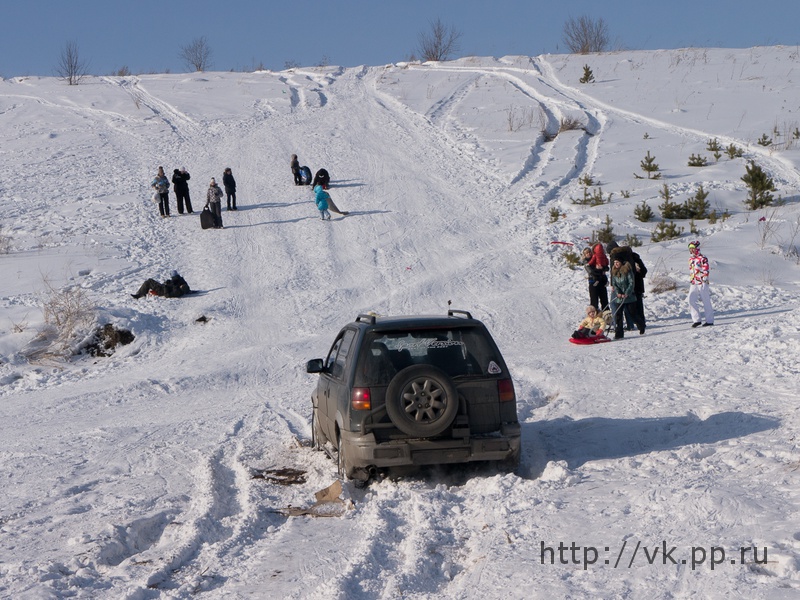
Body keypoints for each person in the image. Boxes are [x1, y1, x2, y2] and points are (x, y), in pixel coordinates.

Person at [608, 242, 646, 332]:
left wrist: (613, 285)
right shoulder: (632, 256)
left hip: (625, 286)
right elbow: (643, 271)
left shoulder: (615, 256)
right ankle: (635, 324)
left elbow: (613, 273)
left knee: (616, 306)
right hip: (636, 286)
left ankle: (618, 327)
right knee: (633, 307)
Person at [610, 257, 643, 339]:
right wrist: (618, 293)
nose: (616, 264)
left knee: (633, 314)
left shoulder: (627, 271)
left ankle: (641, 324)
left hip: (629, 297)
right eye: (614, 263)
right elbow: (615, 284)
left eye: (617, 262)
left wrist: (627, 293)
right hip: (619, 297)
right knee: (618, 315)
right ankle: (619, 333)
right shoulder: (614, 271)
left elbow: (631, 283)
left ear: (621, 263)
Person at [688, 240, 714, 327]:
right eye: (690, 249)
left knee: (705, 299)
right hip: (694, 282)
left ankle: (709, 320)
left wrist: (705, 277)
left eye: (693, 249)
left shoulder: (703, 258)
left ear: (697, 249)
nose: (692, 251)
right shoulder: (691, 259)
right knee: (691, 299)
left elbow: (706, 268)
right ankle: (696, 319)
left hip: (702, 281)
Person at [582, 243, 609, 312]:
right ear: (584, 255)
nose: (588, 254)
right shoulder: (586, 262)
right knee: (594, 300)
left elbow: (605, 266)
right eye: (586, 253)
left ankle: (606, 314)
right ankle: (594, 315)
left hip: (602, 281)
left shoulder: (597, 257)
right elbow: (591, 271)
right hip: (593, 282)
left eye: (589, 252)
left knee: (604, 299)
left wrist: (603, 268)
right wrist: (599, 269)